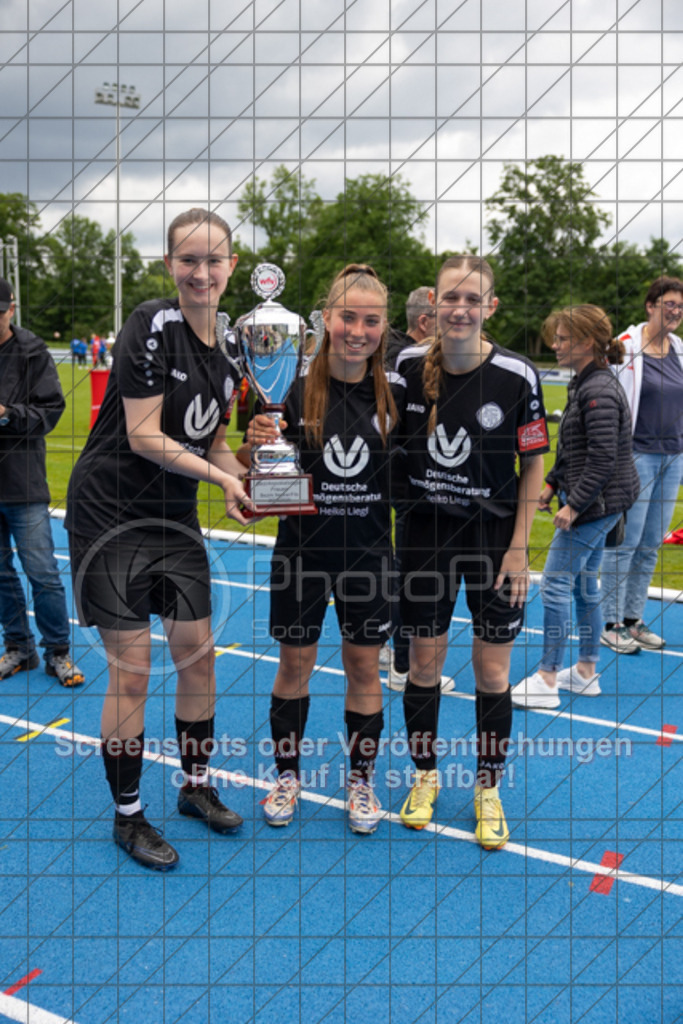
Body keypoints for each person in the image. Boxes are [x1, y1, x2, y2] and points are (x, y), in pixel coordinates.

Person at [65, 208, 253, 870]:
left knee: (198, 657)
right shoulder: (151, 322)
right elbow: (145, 436)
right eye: (188, 260)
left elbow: (214, 442)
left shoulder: (235, 348)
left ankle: (195, 786)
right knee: (134, 669)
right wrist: (220, 478)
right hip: (110, 515)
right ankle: (128, 816)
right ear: (169, 264)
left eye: (213, 260)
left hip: (173, 519)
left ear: (232, 266)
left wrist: (248, 477)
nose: (201, 272)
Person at [395, 255, 548, 849]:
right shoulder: (408, 365)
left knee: (492, 672)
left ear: (491, 306)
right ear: (433, 304)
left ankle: (488, 787)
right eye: (450, 298)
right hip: (425, 538)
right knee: (423, 667)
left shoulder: (517, 374)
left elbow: (533, 464)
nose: (460, 309)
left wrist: (519, 549)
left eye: (472, 299)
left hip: (494, 541)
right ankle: (425, 776)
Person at [247, 264, 400, 836]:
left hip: (368, 555)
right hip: (301, 554)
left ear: (383, 326)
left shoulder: (398, 392)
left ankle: (361, 781)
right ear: (325, 318)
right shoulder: (288, 384)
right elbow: (255, 468)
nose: (358, 331)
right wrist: (254, 445)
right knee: (295, 665)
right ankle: (287, 777)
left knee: (363, 667)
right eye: (347, 318)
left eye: (371, 321)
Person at [510, 305, 639, 709]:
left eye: (563, 338)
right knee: (584, 586)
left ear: (586, 343)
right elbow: (573, 446)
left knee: (555, 584)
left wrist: (575, 505)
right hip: (599, 502)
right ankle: (585, 671)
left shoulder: (598, 389)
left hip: (596, 505)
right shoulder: (586, 382)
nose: (555, 344)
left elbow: (603, 458)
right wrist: (552, 483)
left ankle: (548, 678)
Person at [0, 277, 84, 687]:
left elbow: (50, 413)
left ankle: (59, 652)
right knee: (0, 573)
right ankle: (19, 647)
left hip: (23, 483)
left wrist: (6, 414)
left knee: (42, 572)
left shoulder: (32, 351)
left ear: (11, 309)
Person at [600, 277, 683, 653]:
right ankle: (610, 622)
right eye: (669, 304)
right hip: (636, 456)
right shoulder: (624, 347)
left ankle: (633, 619)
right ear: (650, 306)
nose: (675, 311)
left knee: (650, 544)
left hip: (672, 458)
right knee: (625, 542)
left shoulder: (679, 349)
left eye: (680, 306)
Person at [380, 287, 455, 694]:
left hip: (403, 481)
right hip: (409, 483)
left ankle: (390, 647)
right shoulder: (405, 360)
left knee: (399, 565)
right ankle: (401, 662)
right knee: (406, 569)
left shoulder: (393, 352)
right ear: (425, 321)